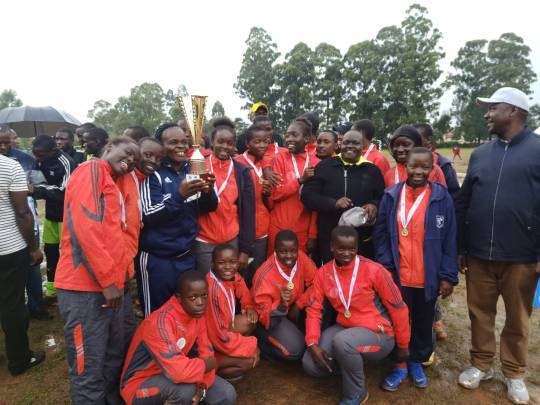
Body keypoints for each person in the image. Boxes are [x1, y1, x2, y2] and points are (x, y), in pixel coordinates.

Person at [456, 87, 540, 404]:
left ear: (513, 111)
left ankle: (515, 373)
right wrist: (461, 247)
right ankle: (480, 364)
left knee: (518, 318)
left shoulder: (537, 150)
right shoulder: (480, 155)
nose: (487, 114)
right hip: (479, 254)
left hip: (522, 256)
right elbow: (464, 205)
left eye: (493, 108)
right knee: (479, 313)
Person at [54, 137, 139, 403]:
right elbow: (86, 228)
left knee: (114, 358)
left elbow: (121, 234)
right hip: (85, 288)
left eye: (135, 159)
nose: (131, 161)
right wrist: (107, 281)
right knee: (88, 366)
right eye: (127, 153)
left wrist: (122, 278)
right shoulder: (91, 171)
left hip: (113, 287)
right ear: (110, 146)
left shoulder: (117, 180)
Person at [374, 147, 458, 391]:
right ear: (405, 166)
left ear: (432, 169)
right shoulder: (391, 196)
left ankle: (416, 361)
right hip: (398, 274)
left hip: (426, 276)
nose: (419, 171)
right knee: (398, 320)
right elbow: (381, 236)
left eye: (425, 167)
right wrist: (386, 267)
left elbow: (450, 239)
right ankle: (399, 364)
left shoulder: (442, 198)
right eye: (414, 166)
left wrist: (447, 275)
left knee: (422, 321)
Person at [302, 226, 410, 405]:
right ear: (331, 247)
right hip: (346, 328)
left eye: (351, 248)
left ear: (357, 248)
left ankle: (356, 393)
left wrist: (403, 345)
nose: (346, 253)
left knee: (343, 342)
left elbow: (399, 308)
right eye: (341, 248)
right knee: (310, 363)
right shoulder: (324, 273)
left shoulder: (375, 270)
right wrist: (312, 343)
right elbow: (314, 310)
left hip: (380, 334)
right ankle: (350, 364)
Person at [120, 270, 237, 405]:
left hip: (178, 375)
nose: (200, 302)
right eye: (192, 297)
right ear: (179, 298)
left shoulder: (197, 314)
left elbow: (207, 354)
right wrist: (205, 365)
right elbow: (178, 371)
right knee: (185, 392)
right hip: (140, 383)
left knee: (226, 394)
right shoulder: (159, 323)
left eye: (204, 295)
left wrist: (202, 384)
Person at [137, 123, 217, 316]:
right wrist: (179, 195)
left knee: (183, 312)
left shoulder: (193, 167)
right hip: (158, 259)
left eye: (184, 141)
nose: (181, 146)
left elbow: (209, 207)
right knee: (157, 314)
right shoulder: (152, 173)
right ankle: (157, 347)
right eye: (173, 142)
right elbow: (148, 216)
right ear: (161, 146)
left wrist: (207, 192)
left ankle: (182, 346)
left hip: (187, 257)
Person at [301, 130, 384, 263]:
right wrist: (333, 203)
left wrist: (374, 205)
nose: (350, 146)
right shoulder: (324, 166)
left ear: (363, 146)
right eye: (346, 142)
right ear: (340, 144)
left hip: (361, 239)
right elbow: (307, 196)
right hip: (329, 237)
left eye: (355, 143)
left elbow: (382, 198)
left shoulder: (372, 170)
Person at [0, 153, 46, 375]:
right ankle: (19, 359)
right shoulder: (9, 166)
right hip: (8, 247)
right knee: (13, 304)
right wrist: (33, 248)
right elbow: (22, 211)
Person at [0, 126, 50, 320]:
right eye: (0, 142)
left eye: (8, 141)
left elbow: (40, 183)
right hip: (9, 228)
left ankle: (36, 305)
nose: (4, 146)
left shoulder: (25, 159)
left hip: (26, 222)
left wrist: (32, 188)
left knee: (32, 265)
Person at [195, 117, 255, 274]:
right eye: (220, 141)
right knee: (207, 285)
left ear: (234, 145)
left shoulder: (242, 171)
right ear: (212, 142)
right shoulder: (198, 165)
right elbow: (191, 204)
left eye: (229, 143)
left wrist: (245, 250)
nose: (224, 147)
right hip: (204, 240)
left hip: (231, 240)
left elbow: (248, 212)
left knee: (229, 284)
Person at [252, 230, 316, 361]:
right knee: (296, 350)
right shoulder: (264, 275)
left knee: (321, 300)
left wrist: (298, 305)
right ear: (275, 250)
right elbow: (265, 318)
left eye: (293, 251)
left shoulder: (301, 258)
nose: (289, 256)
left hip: (292, 310)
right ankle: (262, 345)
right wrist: (281, 306)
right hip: (271, 320)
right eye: (283, 251)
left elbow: (317, 283)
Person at [206, 244, 259, 380]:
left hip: (224, 326)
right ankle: (214, 367)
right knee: (248, 362)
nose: (228, 267)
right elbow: (219, 335)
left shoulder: (231, 275)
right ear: (212, 264)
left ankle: (229, 355)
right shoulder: (213, 291)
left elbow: (240, 285)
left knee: (251, 320)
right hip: (212, 338)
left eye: (232, 262)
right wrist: (251, 346)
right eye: (222, 263)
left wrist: (248, 306)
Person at [31, 134, 75, 299]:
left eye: (40, 155)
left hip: (67, 215)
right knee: (50, 251)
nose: (37, 158)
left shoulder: (67, 162)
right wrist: (40, 188)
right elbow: (37, 182)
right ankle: (51, 289)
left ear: (53, 150)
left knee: (68, 253)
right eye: (35, 154)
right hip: (50, 214)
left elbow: (65, 192)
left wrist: (38, 190)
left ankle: (69, 289)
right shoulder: (39, 160)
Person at [268, 117, 319, 256]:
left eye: (294, 135)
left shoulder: (316, 163)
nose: (289, 139)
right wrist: (300, 180)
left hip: (302, 230)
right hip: (277, 226)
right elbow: (275, 193)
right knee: (275, 268)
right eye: (287, 135)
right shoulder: (280, 159)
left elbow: (316, 204)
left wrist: (313, 235)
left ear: (307, 138)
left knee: (298, 271)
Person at [234, 124, 273, 286]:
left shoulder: (266, 165)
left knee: (257, 271)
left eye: (266, 141)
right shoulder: (237, 163)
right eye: (257, 141)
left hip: (262, 229)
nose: (262, 145)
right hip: (241, 229)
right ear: (248, 142)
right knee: (240, 272)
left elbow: (270, 202)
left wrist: (267, 193)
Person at [415, 123, 460, 200]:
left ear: (429, 140)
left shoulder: (444, 165)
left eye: (416, 139)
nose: (413, 143)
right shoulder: (408, 165)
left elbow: (454, 196)